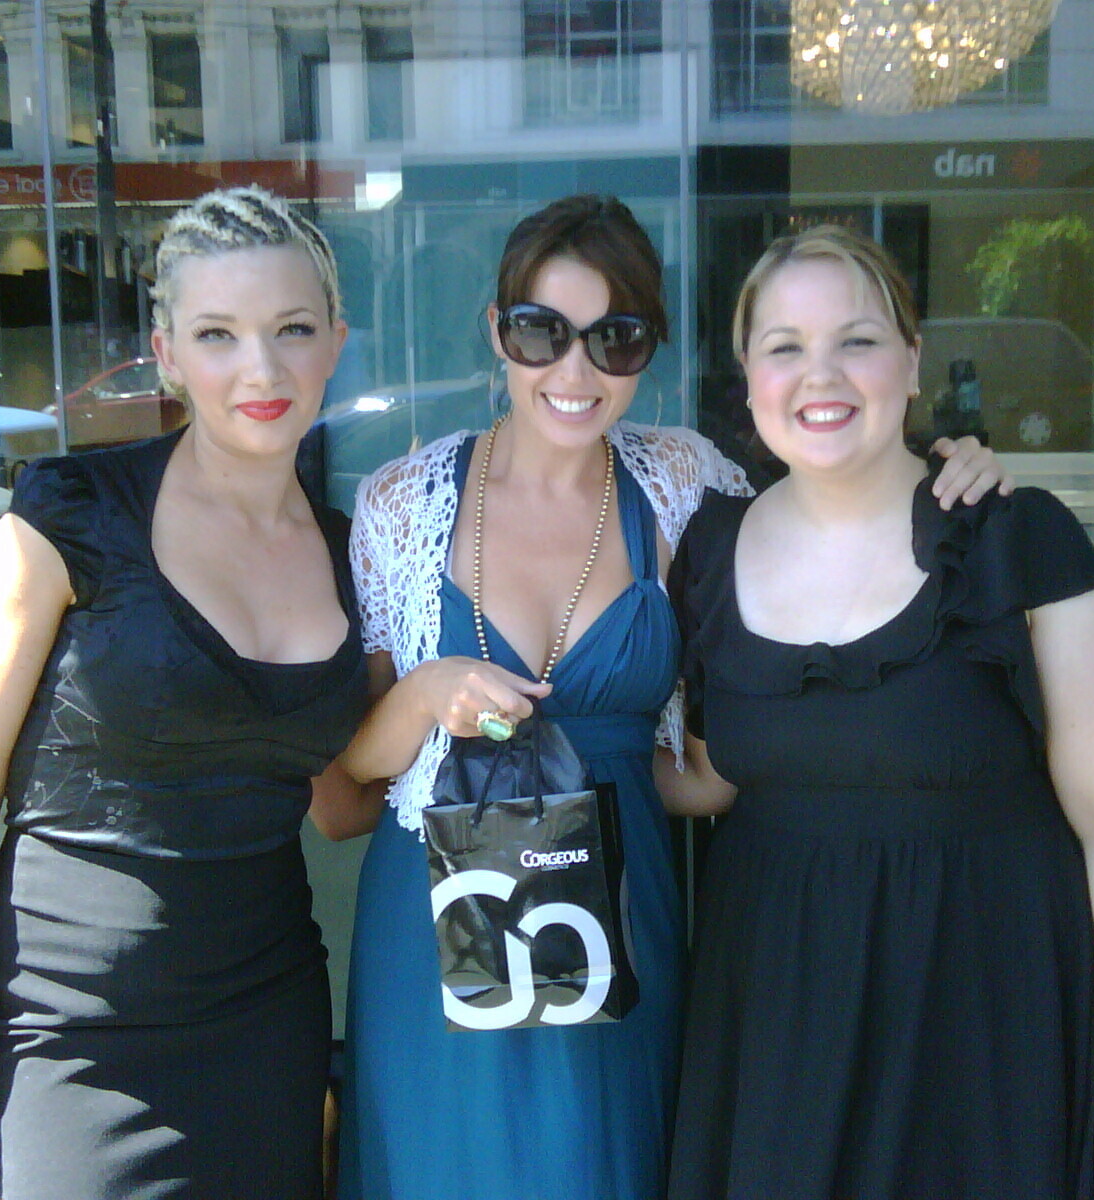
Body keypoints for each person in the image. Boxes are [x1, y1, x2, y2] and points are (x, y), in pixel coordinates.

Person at [334, 194, 1009, 1199]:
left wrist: (945, 468)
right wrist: (429, 691)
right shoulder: (404, 501)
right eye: (542, 333)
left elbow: (833, 521)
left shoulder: (687, 485)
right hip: (435, 927)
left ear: (647, 350)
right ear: (498, 333)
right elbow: (345, 786)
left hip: (620, 913)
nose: (575, 372)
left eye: (615, 338)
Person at [660, 225, 1094, 1200]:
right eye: (784, 346)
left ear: (911, 362)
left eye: (857, 340)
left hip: (983, 1033)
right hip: (778, 1035)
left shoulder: (1016, 543)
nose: (820, 374)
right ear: (749, 377)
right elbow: (713, 778)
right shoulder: (709, 550)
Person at [0, 185, 372, 1198]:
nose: (261, 368)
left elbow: (338, 804)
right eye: (217, 334)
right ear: (166, 354)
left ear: (336, 342)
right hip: (72, 1034)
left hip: (266, 1024)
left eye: (292, 329)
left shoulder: (348, 553)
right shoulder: (70, 513)